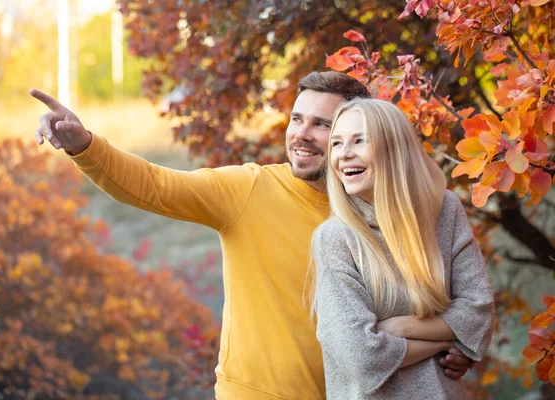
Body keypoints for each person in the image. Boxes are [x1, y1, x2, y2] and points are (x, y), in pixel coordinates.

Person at [30, 72, 473, 400]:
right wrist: (84, 145)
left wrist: (456, 344)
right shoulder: (250, 189)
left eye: (322, 125)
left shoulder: (387, 209)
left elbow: (442, 299)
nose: (301, 134)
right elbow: (154, 186)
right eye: (297, 118)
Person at [311, 98, 494, 399]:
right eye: (337, 143)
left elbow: (479, 312)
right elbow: (360, 357)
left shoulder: (443, 209)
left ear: (393, 147)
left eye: (360, 140)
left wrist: (400, 328)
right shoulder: (335, 238)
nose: (343, 155)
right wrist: (444, 342)